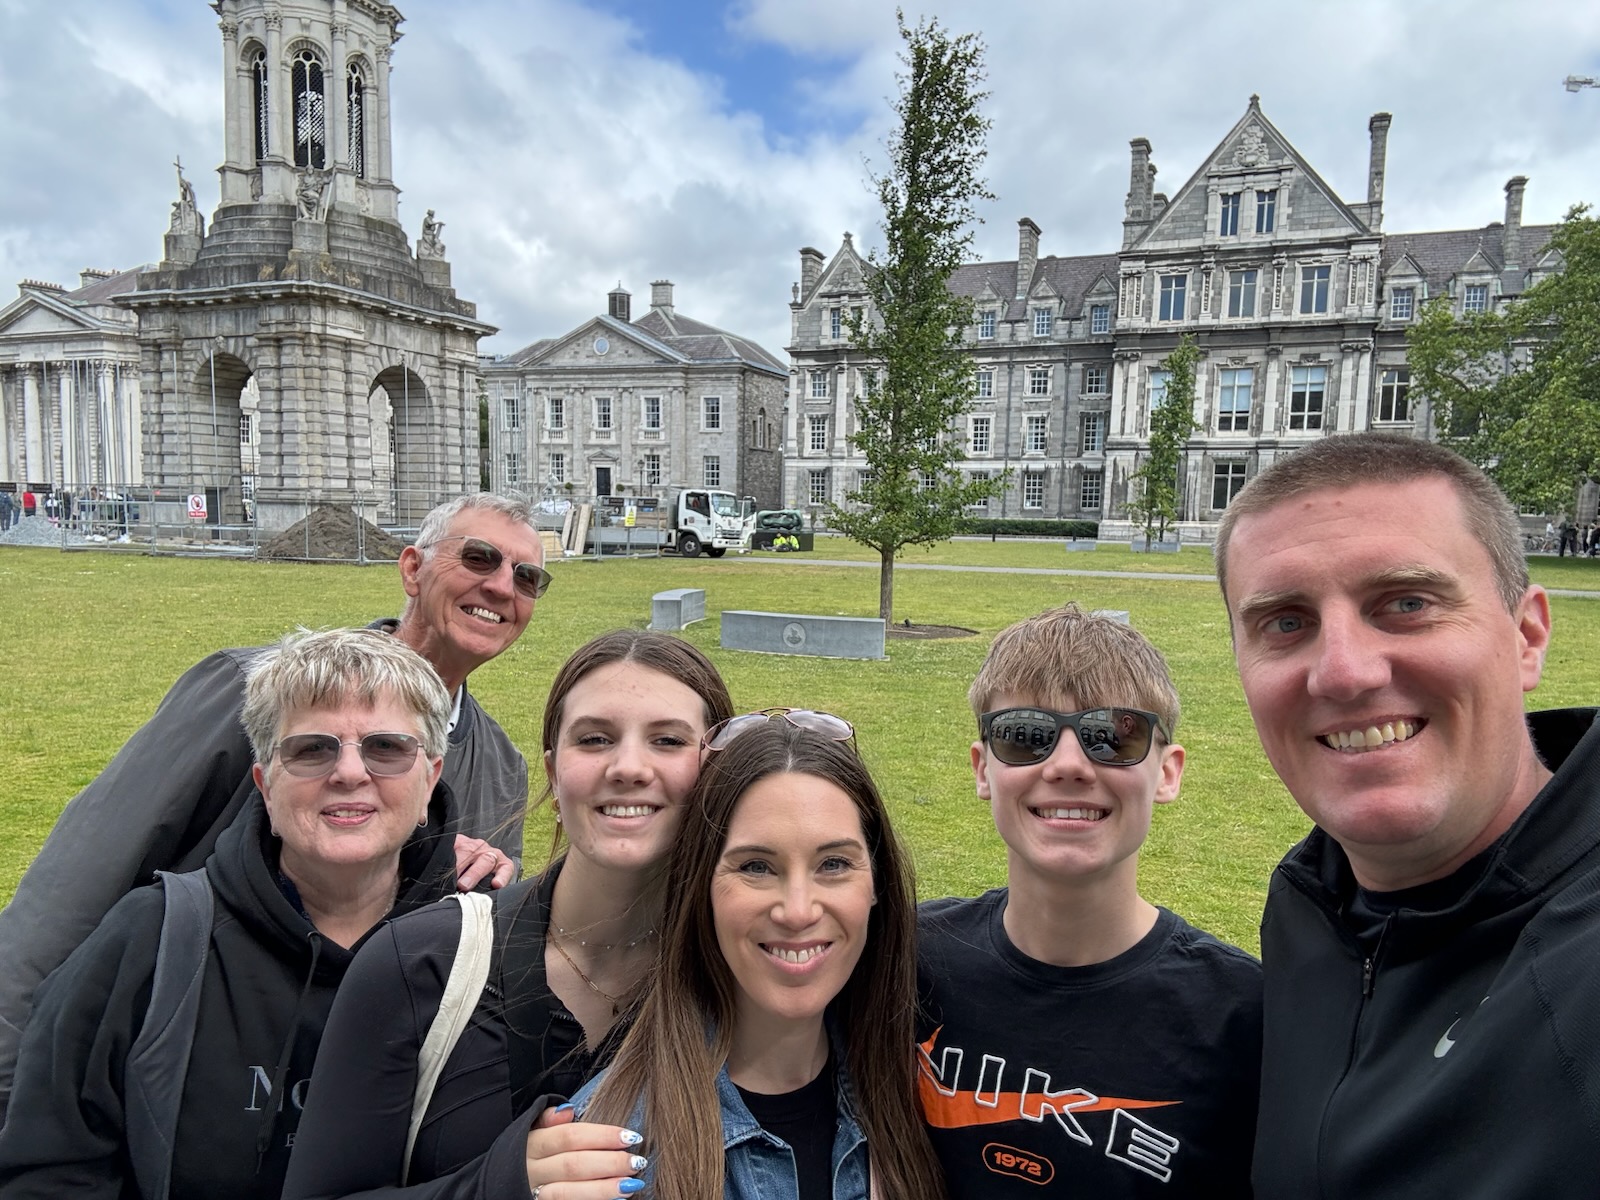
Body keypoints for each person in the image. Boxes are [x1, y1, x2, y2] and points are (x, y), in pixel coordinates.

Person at [0, 492, 546, 1121]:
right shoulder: (250, 689)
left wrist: (491, 901)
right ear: (412, 570)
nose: (502, 586)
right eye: (479, 558)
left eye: (527, 576)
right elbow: (74, 889)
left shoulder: (501, 765)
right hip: (182, 1087)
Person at [1212, 431, 1600, 1198]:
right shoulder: (1310, 904)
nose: (1345, 672)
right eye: (1286, 622)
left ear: (1527, 637)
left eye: (1408, 603)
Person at [0, 628, 463, 1199]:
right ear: (265, 785)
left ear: (431, 778)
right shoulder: (150, 944)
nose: (348, 772)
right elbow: (49, 1168)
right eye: (311, 748)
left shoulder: (480, 957)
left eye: (386, 748)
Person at [281, 630, 734, 1199]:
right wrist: (500, 1186)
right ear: (551, 768)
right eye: (594, 739)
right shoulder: (419, 965)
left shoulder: (743, 982)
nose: (628, 767)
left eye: (668, 741)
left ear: (716, 770)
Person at [916, 604, 1262, 1196]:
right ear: (983, 769)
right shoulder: (910, 959)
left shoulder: (1245, 1020)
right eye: (1025, 736)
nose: (1069, 765)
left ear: (1167, 773)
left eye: (1113, 737)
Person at [563, 712, 947, 1200]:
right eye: (756, 867)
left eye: (833, 863)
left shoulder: (928, 1093)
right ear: (701, 886)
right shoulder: (611, 1156)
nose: (797, 910)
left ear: (876, 883)